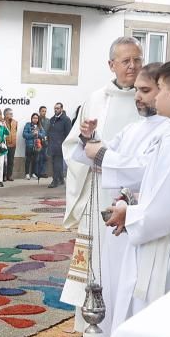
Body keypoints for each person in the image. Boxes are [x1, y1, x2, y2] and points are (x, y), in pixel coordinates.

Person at [99, 58, 170, 337]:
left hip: (166, 245)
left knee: (155, 321)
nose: (156, 95)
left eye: (159, 88)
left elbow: (166, 209)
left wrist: (130, 215)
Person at [69, 62, 166, 337]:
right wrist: (89, 139)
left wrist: (102, 156)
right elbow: (104, 150)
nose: (138, 96)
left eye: (145, 90)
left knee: (136, 291)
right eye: (137, 90)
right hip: (119, 219)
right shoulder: (136, 127)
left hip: (145, 223)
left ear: (167, 92)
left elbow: (142, 170)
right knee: (113, 284)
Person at [60, 35, 141, 308]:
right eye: (125, 61)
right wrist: (86, 140)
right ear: (111, 64)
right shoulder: (95, 100)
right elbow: (73, 147)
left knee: (128, 258)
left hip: (136, 194)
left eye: (137, 60)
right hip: (99, 190)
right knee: (96, 256)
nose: (132, 66)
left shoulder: (151, 98)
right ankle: (89, 324)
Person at [46, 102, 72, 188]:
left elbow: (69, 133)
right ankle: (60, 179)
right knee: (54, 163)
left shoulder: (66, 120)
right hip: (52, 145)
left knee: (57, 163)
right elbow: (49, 131)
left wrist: (64, 144)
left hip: (60, 145)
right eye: (55, 108)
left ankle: (55, 180)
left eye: (57, 108)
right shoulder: (52, 119)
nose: (56, 110)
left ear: (61, 109)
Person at [22, 113, 45, 179]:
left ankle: (33, 173)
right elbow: (24, 135)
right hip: (29, 145)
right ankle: (27, 174)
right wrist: (33, 134)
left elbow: (43, 135)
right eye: (34, 118)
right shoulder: (28, 125)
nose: (35, 119)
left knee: (35, 160)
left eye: (36, 118)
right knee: (28, 159)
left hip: (37, 146)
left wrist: (38, 134)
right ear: (31, 118)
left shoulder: (40, 126)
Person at [2, 108, 18, 181]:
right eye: (10, 113)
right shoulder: (2, 122)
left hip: (13, 144)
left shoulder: (15, 122)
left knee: (11, 161)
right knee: (4, 162)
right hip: (5, 144)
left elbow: (15, 131)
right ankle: (3, 176)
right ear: (5, 114)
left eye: (12, 113)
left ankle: (9, 175)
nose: (12, 115)